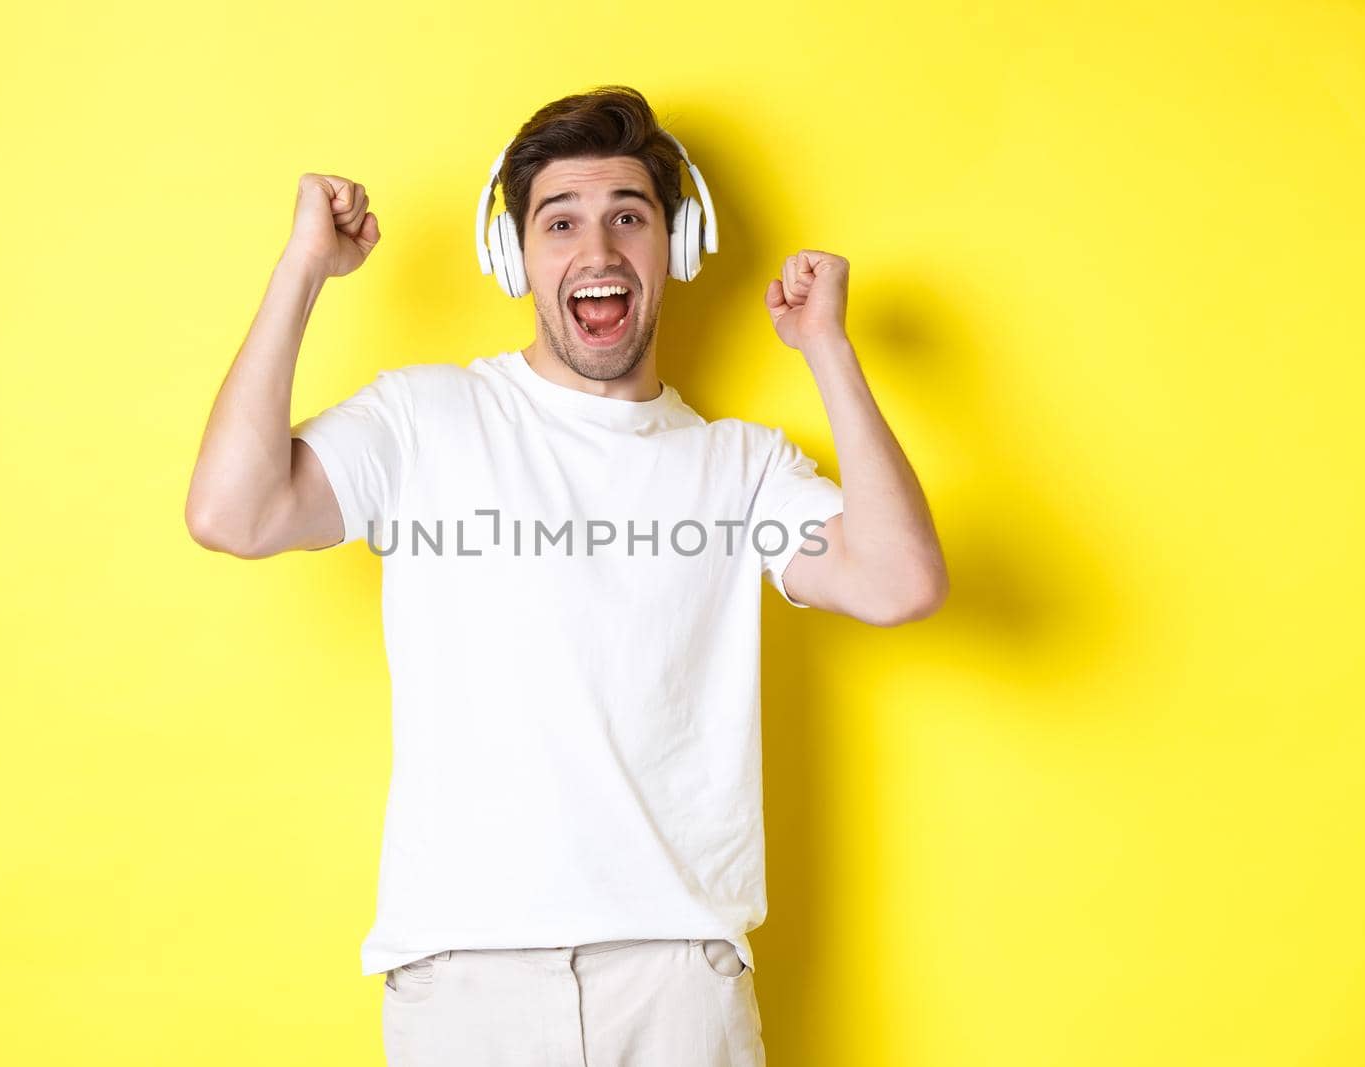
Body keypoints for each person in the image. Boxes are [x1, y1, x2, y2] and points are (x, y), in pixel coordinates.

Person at [185, 84, 949, 1067]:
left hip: (676, 985)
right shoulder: (424, 419)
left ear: (675, 248)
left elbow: (897, 582)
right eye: (560, 223)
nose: (597, 252)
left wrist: (828, 353)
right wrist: (302, 268)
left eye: (629, 217)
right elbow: (231, 511)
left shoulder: (742, 465)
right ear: (513, 255)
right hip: (463, 983)